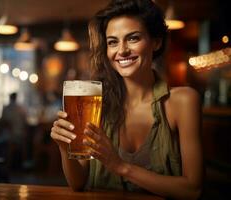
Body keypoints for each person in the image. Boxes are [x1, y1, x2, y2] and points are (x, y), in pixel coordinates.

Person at [50, 0, 203, 199]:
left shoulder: (183, 101)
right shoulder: (96, 105)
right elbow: (78, 183)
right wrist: (65, 148)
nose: (121, 51)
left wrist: (120, 166)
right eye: (113, 42)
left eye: (133, 38)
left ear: (156, 42)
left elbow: (193, 190)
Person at [0, 92, 28, 169]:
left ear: (10, 98)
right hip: (19, 134)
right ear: (16, 98)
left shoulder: (6, 108)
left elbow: (3, 122)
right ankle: (21, 163)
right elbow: (25, 121)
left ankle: (8, 165)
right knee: (23, 143)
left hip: (10, 135)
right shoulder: (21, 108)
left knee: (5, 144)